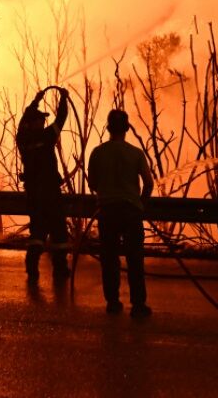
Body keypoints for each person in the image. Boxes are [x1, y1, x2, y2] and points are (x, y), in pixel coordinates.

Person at [87, 109, 153, 317]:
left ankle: (113, 302)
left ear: (108, 128)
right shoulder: (136, 153)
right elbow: (148, 184)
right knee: (135, 258)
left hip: (107, 212)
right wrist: (139, 204)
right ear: (126, 129)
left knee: (109, 258)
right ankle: (138, 305)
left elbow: (93, 184)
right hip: (131, 211)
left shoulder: (97, 153)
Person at [16, 86, 70, 283]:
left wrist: (35, 100)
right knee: (58, 230)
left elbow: (22, 121)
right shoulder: (47, 137)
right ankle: (61, 267)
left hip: (33, 192)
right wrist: (63, 98)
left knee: (37, 230)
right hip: (50, 192)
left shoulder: (22, 138)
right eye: (40, 119)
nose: (43, 121)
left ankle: (32, 266)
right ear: (34, 122)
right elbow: (61, 118)